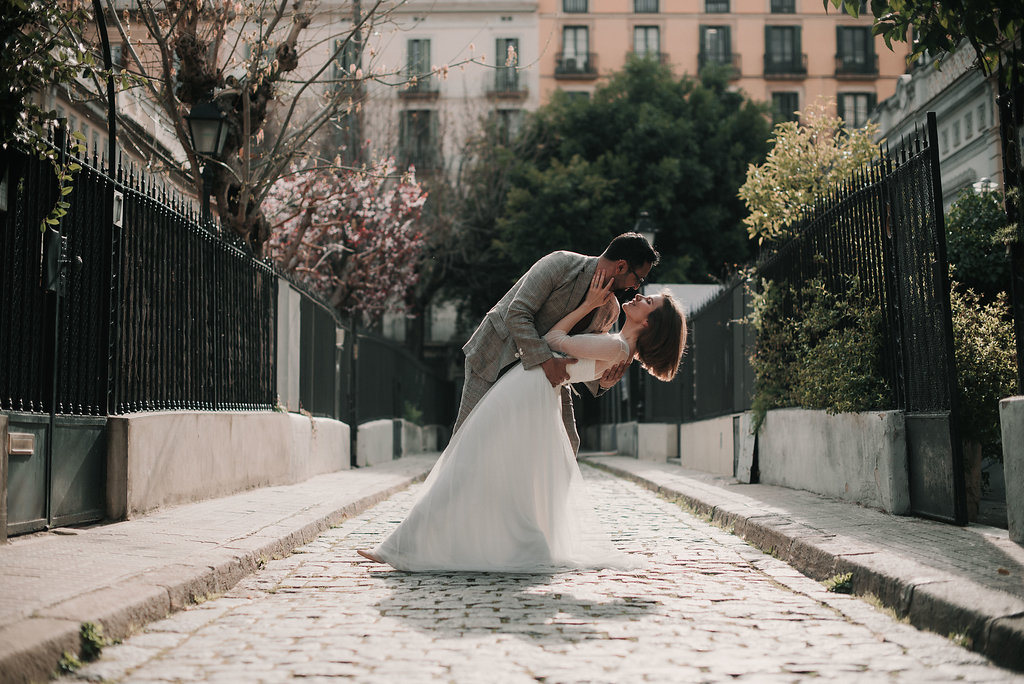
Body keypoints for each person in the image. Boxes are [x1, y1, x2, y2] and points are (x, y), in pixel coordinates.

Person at [358, 272, 687, 572]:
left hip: (527, 391)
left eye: (649, 302)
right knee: (491, 467)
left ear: (648, 324)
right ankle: (423, 544)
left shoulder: (615, 345)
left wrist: (588, 304)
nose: (641, 296)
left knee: (471, 460)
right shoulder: (617, 345)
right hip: (531, 391)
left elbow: (554, 339)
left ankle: (406, 545)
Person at [455, 233, 660, 454]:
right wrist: (546, 360)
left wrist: (603, 383)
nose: (636, 287)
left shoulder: (611, 310)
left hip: (544, 378)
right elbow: (517, 313)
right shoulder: (560, 264)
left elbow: (584, 355)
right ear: (621, 266)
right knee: (467, 442)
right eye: (638, 279)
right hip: (495, 356)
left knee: (566, 447)